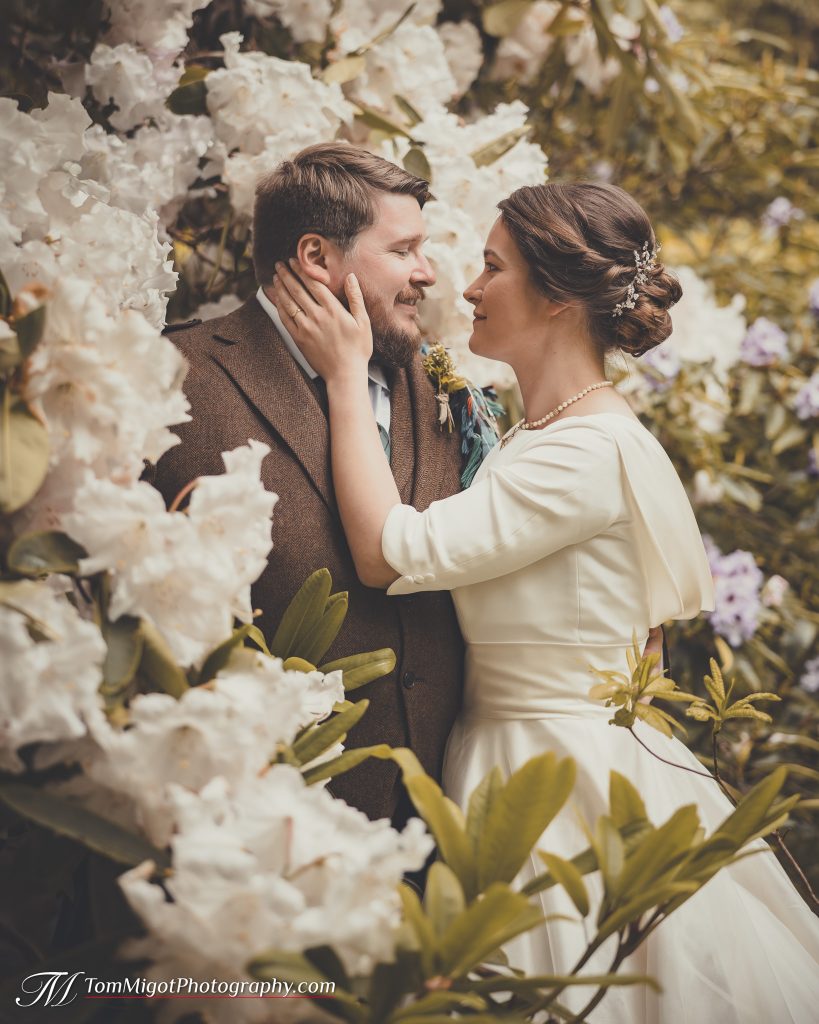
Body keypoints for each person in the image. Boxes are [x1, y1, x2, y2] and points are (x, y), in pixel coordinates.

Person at [270, 180, 819, 1022]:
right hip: (527, 749)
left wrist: (347, 376)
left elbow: (389, 553)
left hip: (551, 782)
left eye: (492, 267)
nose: (470, 287)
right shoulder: (547, 432)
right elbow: (640, 643)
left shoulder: (584, 452)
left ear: (558, 298)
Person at [150, 143, 466, 827]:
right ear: (317, 257)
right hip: (256, 819)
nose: (428, 274)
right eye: (404, 250)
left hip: (438, 816)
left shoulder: (439, 385)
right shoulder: (172, 376)